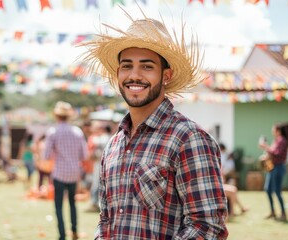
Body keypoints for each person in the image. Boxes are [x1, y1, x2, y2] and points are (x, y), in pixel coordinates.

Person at [80, 13, 228, 239]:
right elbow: (106, 219)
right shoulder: (113, 146)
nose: (134, 75)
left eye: (147, 67)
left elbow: (207, 228)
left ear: (166, 75)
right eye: (126, 66)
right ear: (118, 74)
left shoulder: (189, 138)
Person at [44, 101, 88, 240]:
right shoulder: (77, 131)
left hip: (59, 173)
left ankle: (62, 235)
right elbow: (85, 155)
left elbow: (46, 155)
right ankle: (74, 231)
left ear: (57, 116)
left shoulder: (53, 132)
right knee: (72, 203)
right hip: (74, 173)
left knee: (58, 205)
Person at [259, 124, 288, 221]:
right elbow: (272, 153)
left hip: (278, 167)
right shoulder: (277, 140)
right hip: (272, 167)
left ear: (278, 130)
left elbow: (277, 153)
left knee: (277, 191)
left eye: (273, 129)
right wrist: (266, 156)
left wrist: (265, 147)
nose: (272, 130)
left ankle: (283, 214)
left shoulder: (282, 140)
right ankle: (273, 212)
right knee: (268, 190)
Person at [86, 121, 112, 213]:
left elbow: (94, 152)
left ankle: (95, 203)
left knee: (97, 182)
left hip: (100, 162)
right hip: (109, 162)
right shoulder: (112, 137)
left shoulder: (101, 138)